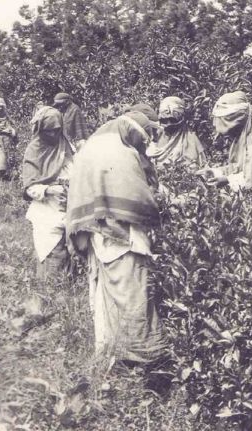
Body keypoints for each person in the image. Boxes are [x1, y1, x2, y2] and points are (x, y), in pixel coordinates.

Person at [66, 107, 167, 366]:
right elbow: (139, 201)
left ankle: (115, 356)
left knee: (108, 300)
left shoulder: (94, 145)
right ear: (133, 131)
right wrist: (161, 203)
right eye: (143, 138)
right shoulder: (121, 153)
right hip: (123, 237)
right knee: (133, 298)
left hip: (98, 235)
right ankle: (143, 359)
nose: (144, 144)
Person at [22, 106, 75, 278]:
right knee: (50, 248)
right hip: (46, 207)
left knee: (68, 247)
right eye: (49, 131)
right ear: (41, 130)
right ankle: (49, 288)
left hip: (67, 205)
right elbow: (29, 186)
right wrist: (49, 189)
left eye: (57, 131)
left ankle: (66, 285)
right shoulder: (34, 149)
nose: (53, 135)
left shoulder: (65, 144)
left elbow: (74, 167)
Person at [147, 96, 205, 169]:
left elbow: (201, 165)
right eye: (164, 120)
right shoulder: (155, 136)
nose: (168, 124)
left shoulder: (191, 140)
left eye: (172, 120)